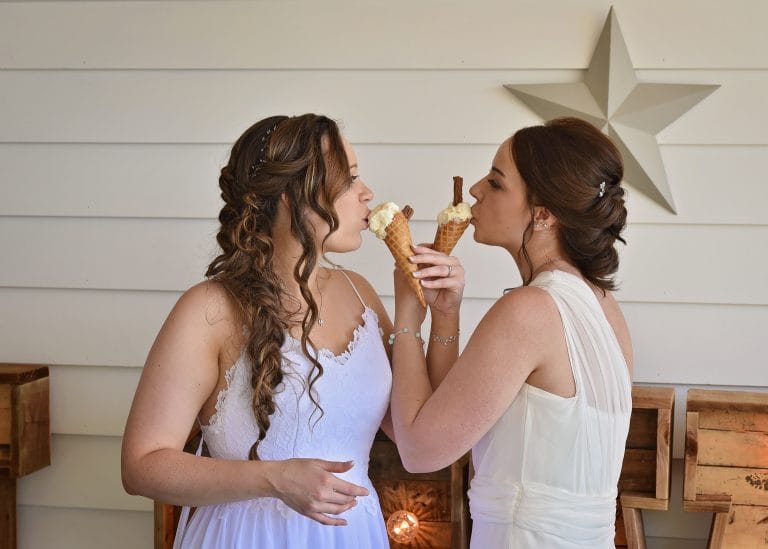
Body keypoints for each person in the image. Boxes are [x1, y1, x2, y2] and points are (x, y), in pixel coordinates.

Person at [122, 113, 412, 548]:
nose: (366, 192)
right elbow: (141, 465)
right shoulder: (209, 310)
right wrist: (273, 477)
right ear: (290, 196)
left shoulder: (361, 293)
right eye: (348, 179)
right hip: (246, 537)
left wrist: (430, 311)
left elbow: (411, 431)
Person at [389, 117, 634, 548]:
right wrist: (446, 315)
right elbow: (456, 422)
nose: (476, 190)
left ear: (543, 214)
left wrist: (408, 317)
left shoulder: (528, 311)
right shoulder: (604, 308)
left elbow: (420, 451)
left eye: (497, 183)